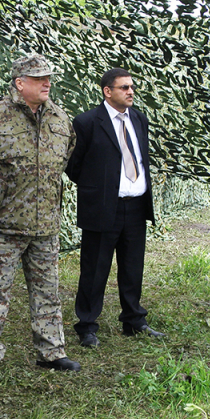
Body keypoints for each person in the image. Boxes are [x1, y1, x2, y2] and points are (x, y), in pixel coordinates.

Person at [0, 53, 80, 379]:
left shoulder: (60, 119)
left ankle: (51, 352)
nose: (46, 83)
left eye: (48, 77)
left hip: (45, 223)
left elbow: (63, 158)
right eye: (38, 79)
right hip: (4, 222)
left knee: (48, 291)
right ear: (19, 83)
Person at [66, 67, 163, 348]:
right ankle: (87, 325)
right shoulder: (86, 122)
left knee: (133, 267)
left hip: (135, 207)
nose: (131, 92)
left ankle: (133, 320)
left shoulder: (140, 120)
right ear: (107, 91)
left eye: (132, 87)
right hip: (102, 207)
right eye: (124, 87)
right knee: (95, 269)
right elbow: (74, 166)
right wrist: (98, 189)